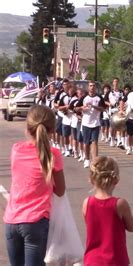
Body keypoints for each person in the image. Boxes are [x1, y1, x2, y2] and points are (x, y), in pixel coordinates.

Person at [4, 105, 66, 266]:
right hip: (36, 220)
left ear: (27, 127)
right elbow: (60, 190)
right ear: (52, 129)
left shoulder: (16, 150)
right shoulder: (53, 154)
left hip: (12, 220)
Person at [83, 156, 133, 266]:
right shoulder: (120, 204)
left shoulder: (87, 203)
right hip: (115, 260)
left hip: (92, 260)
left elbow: (89, 224)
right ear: (116, 179)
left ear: (91, 179)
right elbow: (132, 227)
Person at [77, 81, 106, 168]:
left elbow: (103, 109)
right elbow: (76, 108)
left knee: (94, 142)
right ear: (88, 87)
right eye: (90, 86)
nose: (92, 87)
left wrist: (93, 106)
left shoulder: (99, 97)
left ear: (95, 87)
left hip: (96, 123)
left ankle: (95, 161)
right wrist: (82, 108)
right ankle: (87, 159)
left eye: (93, 86)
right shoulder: (84, 97)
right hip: (86, 123)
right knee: (86, 143)